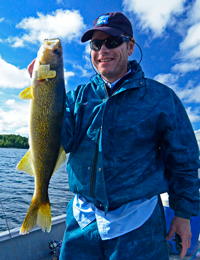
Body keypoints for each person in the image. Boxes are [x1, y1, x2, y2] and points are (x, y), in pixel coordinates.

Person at [28, 12, 200, 260]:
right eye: (96, 44)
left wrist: (183, 214)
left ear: (130, 46)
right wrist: (43, 93)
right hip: (82, 222)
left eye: (112, 41)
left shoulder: (162, 98)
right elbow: (57, 140)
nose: (102, 50)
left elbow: (183, 161)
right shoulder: (77, 98)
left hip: (138, 225)